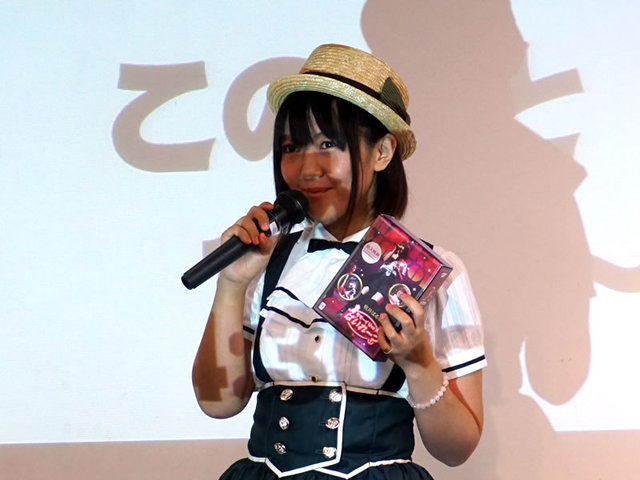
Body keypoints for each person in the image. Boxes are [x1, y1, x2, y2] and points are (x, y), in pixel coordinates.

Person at [192, 43, 486, 479]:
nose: (306, 168)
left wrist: (419, 362)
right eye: (291, 147)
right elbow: (218, 404)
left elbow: (456, 448)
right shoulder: (265, 261)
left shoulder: (434, 272)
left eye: (328, 144)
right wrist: (232, 285)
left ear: (382, 152)